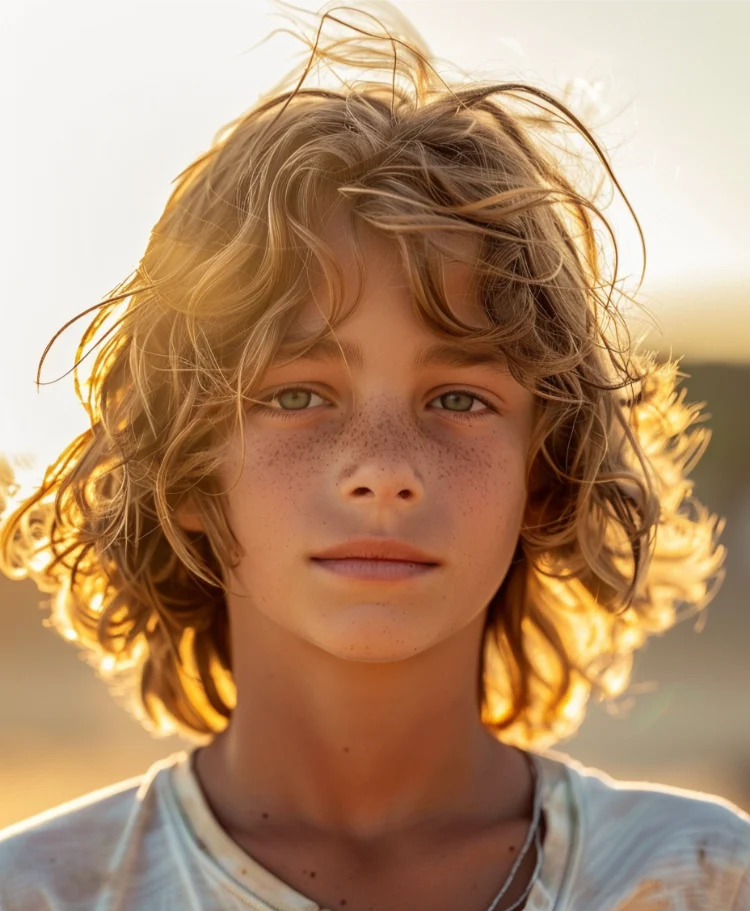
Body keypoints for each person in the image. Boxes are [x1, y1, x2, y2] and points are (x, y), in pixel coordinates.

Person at [0, 2, 748, 909]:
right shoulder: (41, 891)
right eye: (297, 395)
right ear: (185, 468)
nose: (384, 469)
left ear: (546, 475)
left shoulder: (704, 878)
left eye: (460, 399)